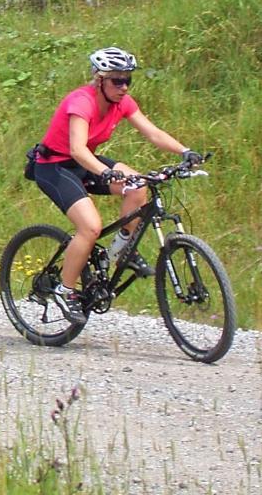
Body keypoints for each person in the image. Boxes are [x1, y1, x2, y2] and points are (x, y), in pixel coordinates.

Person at [32, 47, 203, 324]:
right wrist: (105, 172)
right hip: (55, 166)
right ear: (100, 80)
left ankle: (123, 249)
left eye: (128, 80)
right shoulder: (82, 102)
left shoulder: (122, 102)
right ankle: (65, 290)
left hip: (85, 162)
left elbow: (152, 133)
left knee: (137, 186)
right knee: (90, 227)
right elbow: (77, 149)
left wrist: (185, 152)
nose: (124, 87)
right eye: (117, 81)